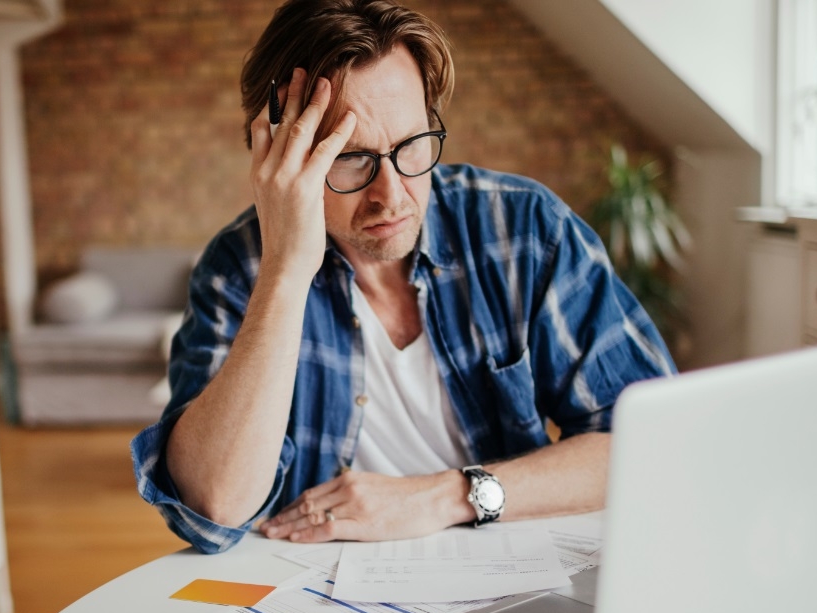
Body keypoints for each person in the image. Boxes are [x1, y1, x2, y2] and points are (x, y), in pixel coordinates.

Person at [132, 0, 675, 554]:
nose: (391, 195)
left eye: (412, 146)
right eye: (350, 158)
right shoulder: (241, 268)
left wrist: (443, 496)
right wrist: (285, 274)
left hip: (507, 568)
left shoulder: (524, 230)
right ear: (281, 157)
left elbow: (652, 443)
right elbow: (212, 511)